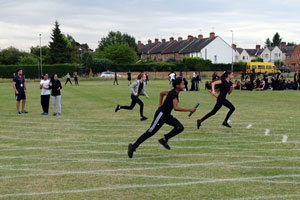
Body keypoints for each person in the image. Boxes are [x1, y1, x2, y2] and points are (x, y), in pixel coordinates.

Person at [127, 77, 197, 158]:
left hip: (166, 115)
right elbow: (176, 108)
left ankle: (164, 139)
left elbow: (161, 93)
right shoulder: (174, 93)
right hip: (161, 115)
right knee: (150, 132)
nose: (184, 85)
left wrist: (160, 105)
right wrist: (190, 109)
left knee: (180, 127)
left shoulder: (173, 92)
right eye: (182, 84)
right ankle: (133, 146)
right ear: (177, 85)